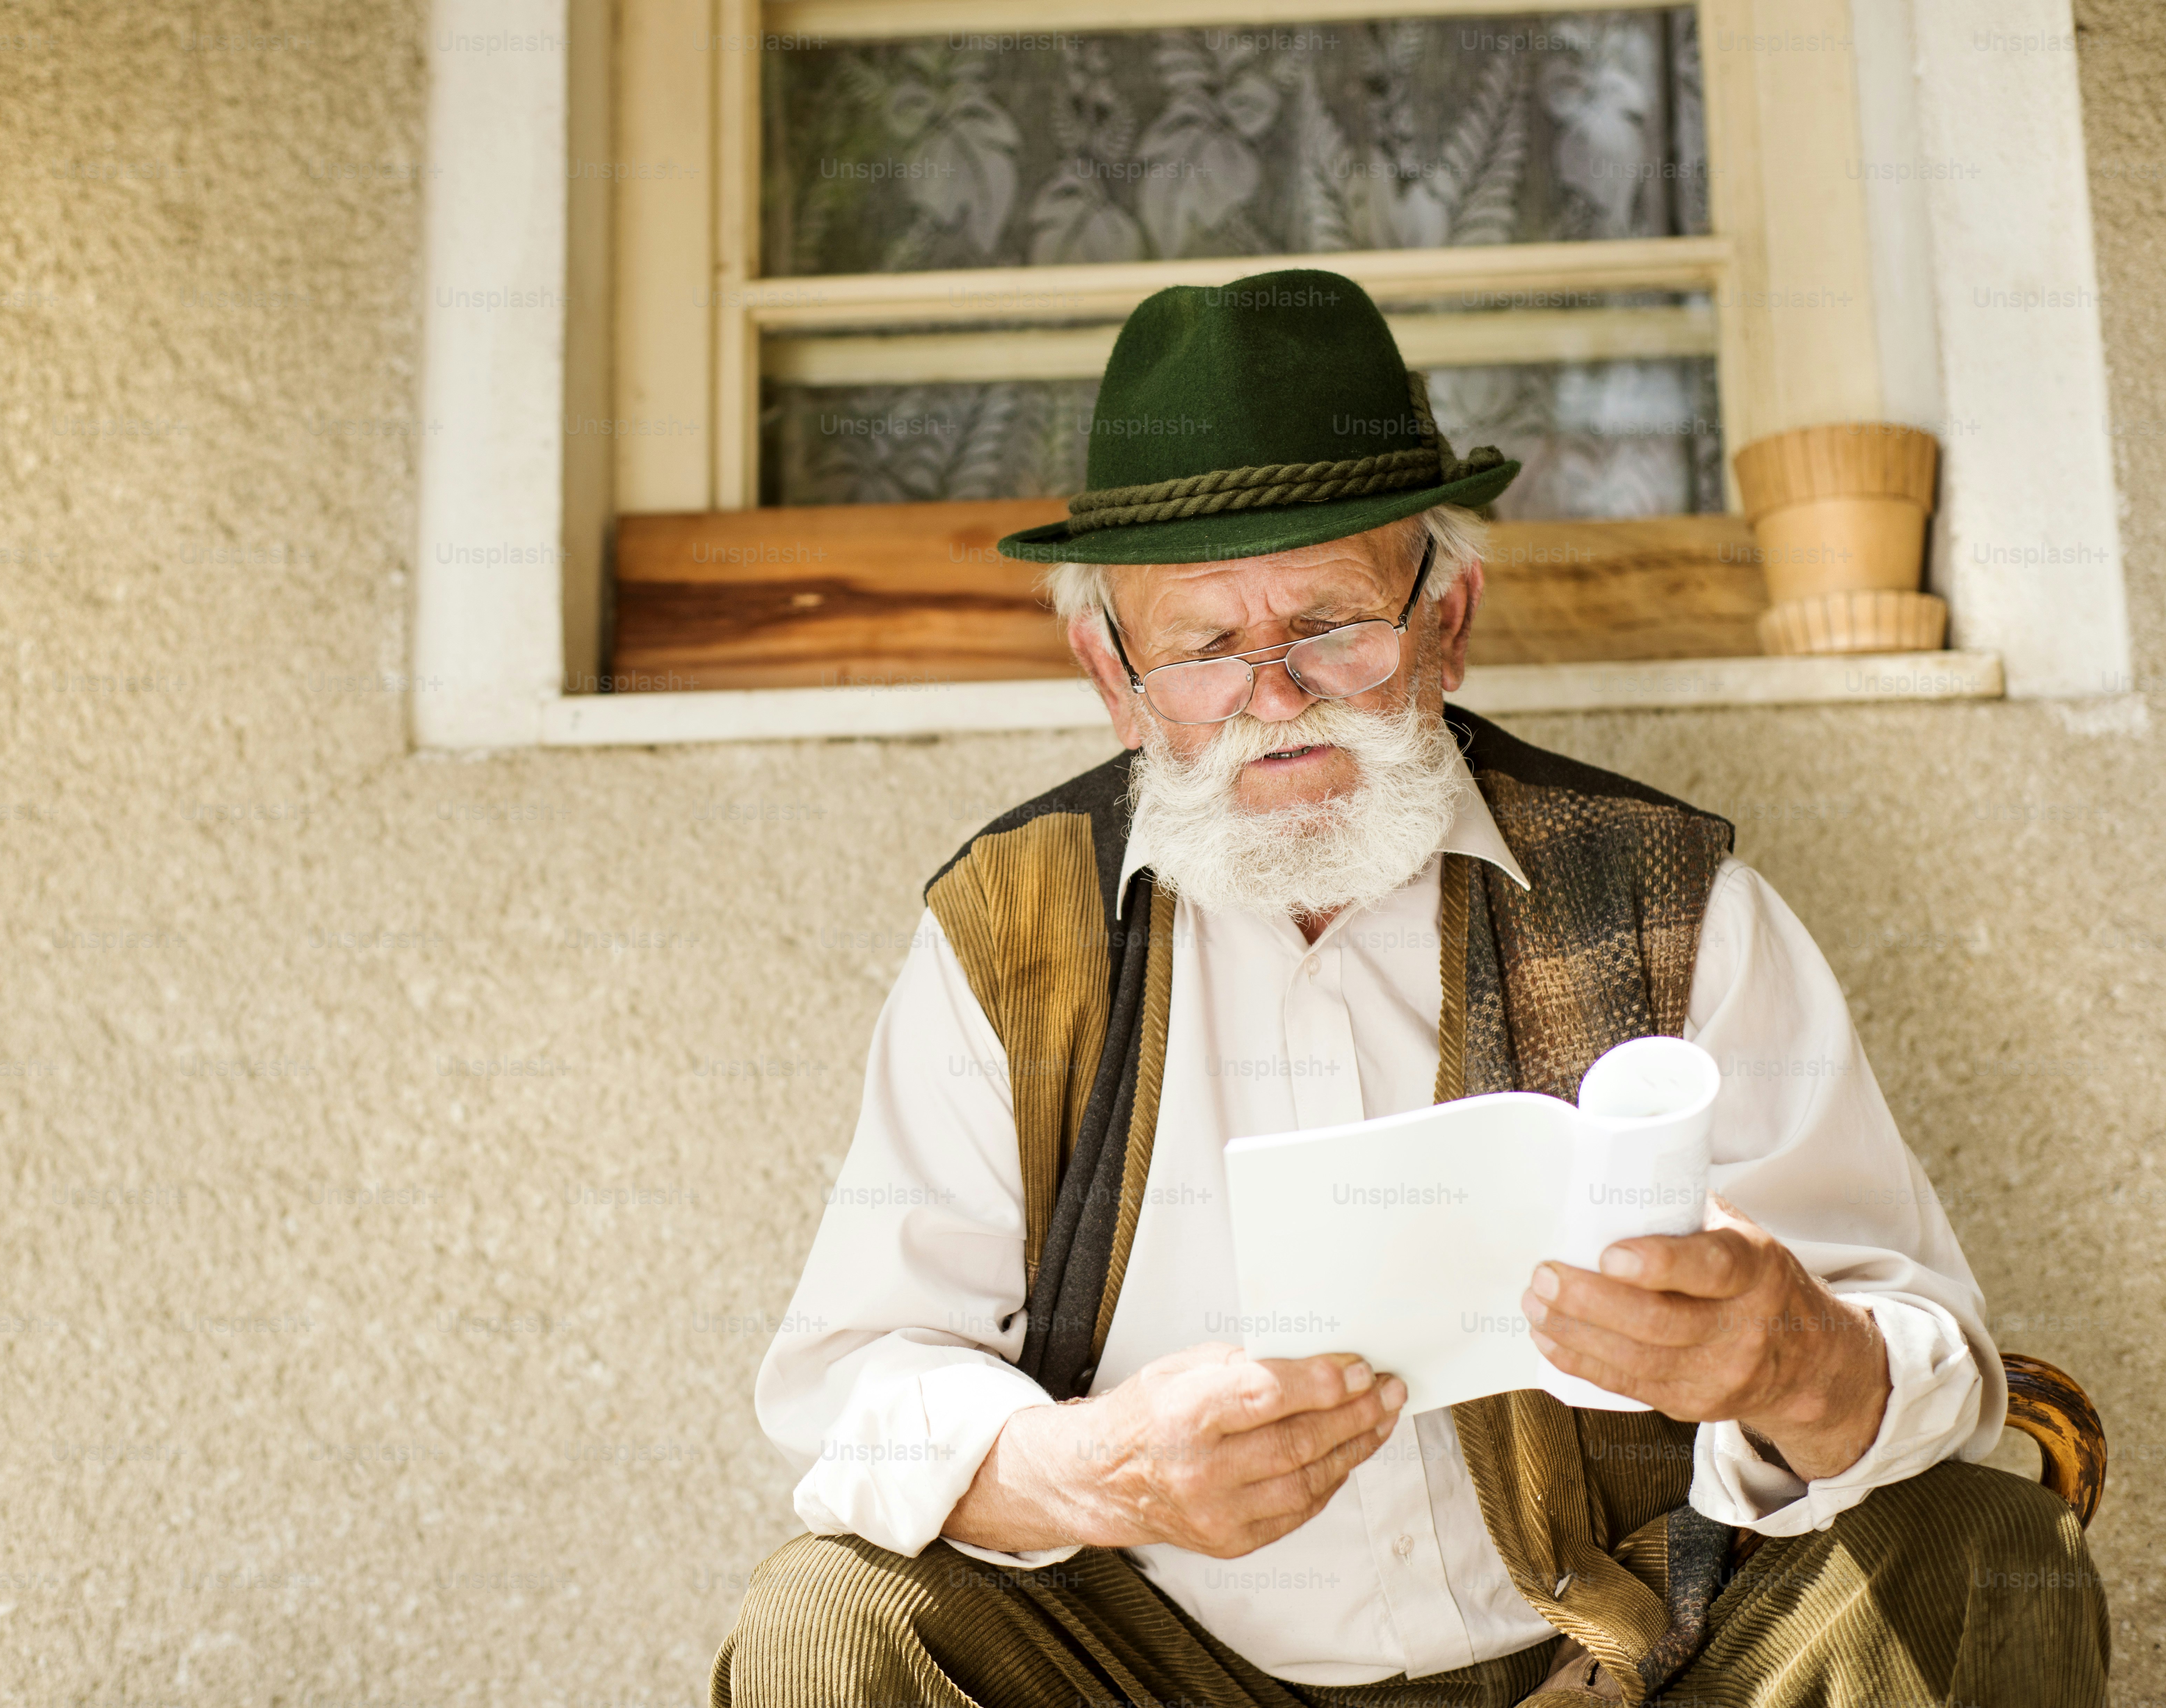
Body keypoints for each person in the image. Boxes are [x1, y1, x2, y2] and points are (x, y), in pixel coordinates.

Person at [711, 270, 2105, 1707]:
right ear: (1111, 677)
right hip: (1155, 1673)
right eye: (1201, 647)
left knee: (1972, 1544)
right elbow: (849, 1399)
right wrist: (1105, 1468)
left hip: (1634, 1658)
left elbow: (1930, 1353)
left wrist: (1797, 1360)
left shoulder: (1672, 904)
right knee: (830, 1622)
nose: (1276, 694)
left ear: (1445, 622)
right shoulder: (1006, 939)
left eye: (1331, 623)